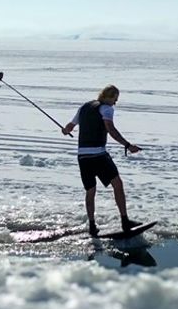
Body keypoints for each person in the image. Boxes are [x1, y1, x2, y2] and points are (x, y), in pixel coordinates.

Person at [61, 84, 142, 237]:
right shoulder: (106, 109)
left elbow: (70, 127)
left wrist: (65, 130)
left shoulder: (84, 107)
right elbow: (111, 130)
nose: (115, 103)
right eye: (115, 99)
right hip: (98, 155)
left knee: (90, 191)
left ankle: (92, 226)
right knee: (117, 184)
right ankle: (125, 222)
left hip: (82, 157)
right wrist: (128, 145)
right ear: (108, 97)